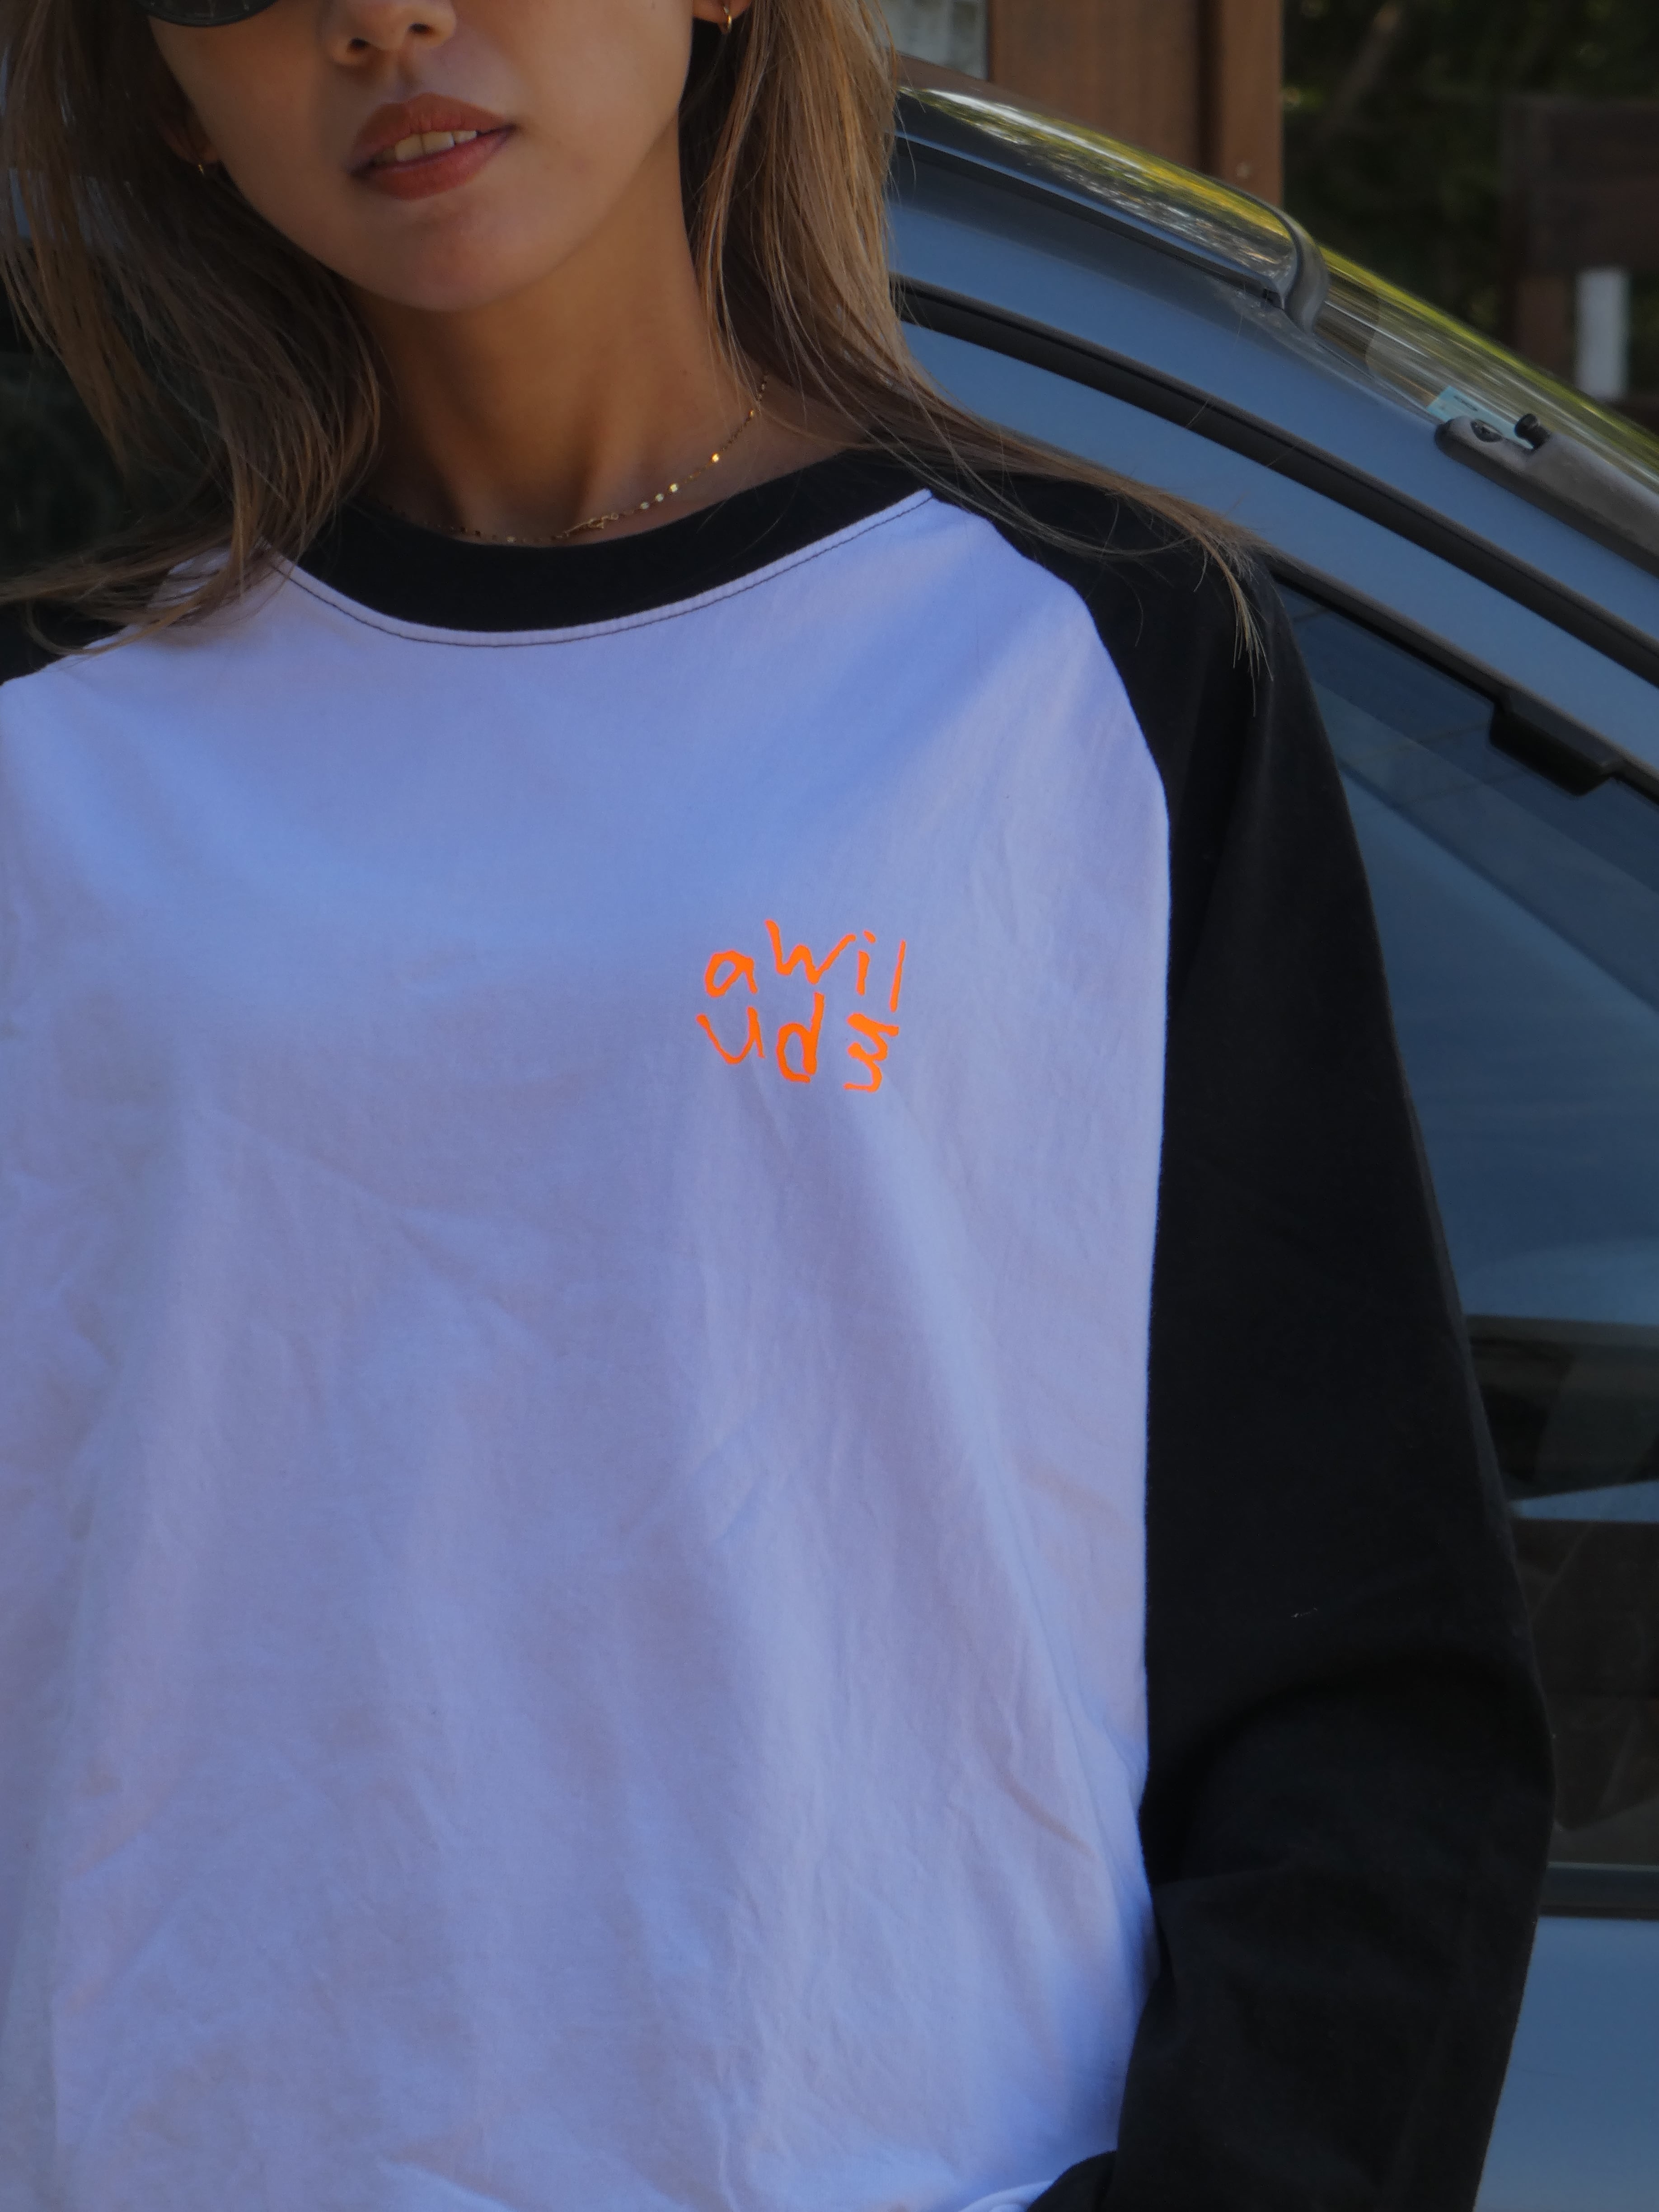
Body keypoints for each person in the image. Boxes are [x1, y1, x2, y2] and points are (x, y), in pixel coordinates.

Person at [0, 1, 1552, 2207]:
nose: (383, 19)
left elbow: (1365, 1682)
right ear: (165, 90)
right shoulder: (56, 762)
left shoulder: (1084, 665)